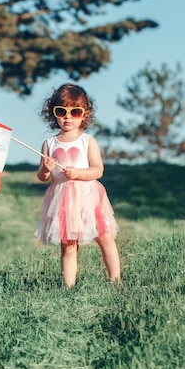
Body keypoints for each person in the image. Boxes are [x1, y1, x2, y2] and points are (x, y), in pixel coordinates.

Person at [35, 83, 121, 288]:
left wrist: (78, 174)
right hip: (63, 200)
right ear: (53, 113)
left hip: (88, 197)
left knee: (105, 238)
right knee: (69, 246)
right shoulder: (50, 143)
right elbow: (42, 176)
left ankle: (115, 281)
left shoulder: (87, 141)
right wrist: (46, 169)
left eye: (74, 112)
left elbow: (98, 170)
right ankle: (69, 288)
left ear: (84, 114)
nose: (68, 117)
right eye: (61, 111)